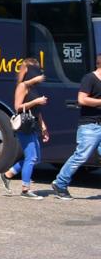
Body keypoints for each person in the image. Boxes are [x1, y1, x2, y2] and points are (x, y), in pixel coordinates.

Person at [49, 54, 101, 200]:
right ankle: (60, 183)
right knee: (81, 156)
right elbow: (82, 99)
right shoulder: (90, 79)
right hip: (90, 126)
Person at [0, 58, 49, 198]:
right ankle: (25, 189)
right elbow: (18, 107)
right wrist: (36, 101)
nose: (40, 74)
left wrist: (43, 127)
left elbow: (36, 111)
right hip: (24, 126)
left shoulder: (32, 88)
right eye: (36, 71)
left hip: (32, 125)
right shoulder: (22, 86)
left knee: (35, 158)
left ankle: (7, 175)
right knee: (31, 157)